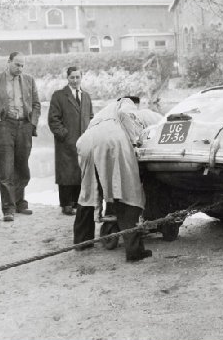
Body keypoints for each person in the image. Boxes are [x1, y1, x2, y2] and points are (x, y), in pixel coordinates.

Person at [74, 98, 150, 261]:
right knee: (126, 192)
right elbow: (126, 114)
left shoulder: (104, 111)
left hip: (86, 140)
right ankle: (134, 251)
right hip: (111, 140)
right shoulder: (125, 102)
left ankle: (82, 242)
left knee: (88, 192)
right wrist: (135, 141)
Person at [0, 52, 41, 222]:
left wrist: (32, 123)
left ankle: (20, 202)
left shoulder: (29, 80)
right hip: (4, 126)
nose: (20, 68)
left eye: (23, 65)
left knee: (22, 167)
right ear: (8, 62)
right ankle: (8, 208)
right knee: (6, 168)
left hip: (24, 126)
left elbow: (36, 104)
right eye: (17, 64)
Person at [48, 67, 94, 216]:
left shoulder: (86, 96)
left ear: (81, 78)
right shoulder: (59, 96)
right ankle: (66, 204)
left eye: (77, 77)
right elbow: (53, 119)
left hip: (83, 141)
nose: (75, 81)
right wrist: (64, 135)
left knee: (80, 172)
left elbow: (91, 117)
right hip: (66, 142)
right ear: (67, 78)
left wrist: (90, 136)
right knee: (67, 173)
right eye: (72, 78)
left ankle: (77, 202)